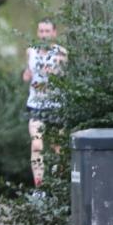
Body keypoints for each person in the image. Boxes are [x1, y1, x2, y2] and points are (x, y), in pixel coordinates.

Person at [22, 19, 67, 188]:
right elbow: (27, 74)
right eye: (41, 31)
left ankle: (60, 186)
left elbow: (65, 76)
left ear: (54, 33)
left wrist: (56, 72)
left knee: (59, 149)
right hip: (36, 105)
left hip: (56, 106)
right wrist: (26, 75)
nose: (44, 35)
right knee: (36, 144)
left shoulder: (61, 53)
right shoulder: (30, 52)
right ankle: (39, 187)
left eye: (47, 31)